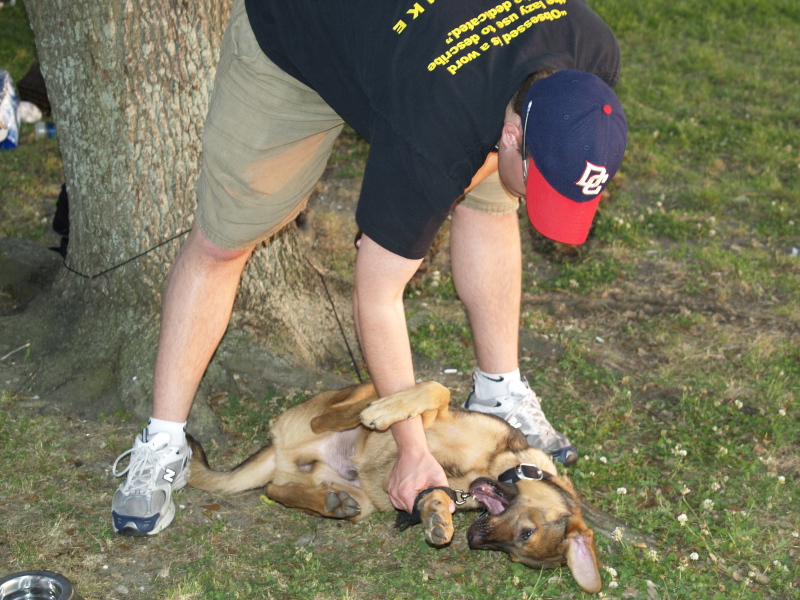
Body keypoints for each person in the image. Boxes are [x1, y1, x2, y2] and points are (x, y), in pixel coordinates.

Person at [111, 0, 627, 536]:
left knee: (495, 193)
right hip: (301, 38)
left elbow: (493, 153)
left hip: (423, 55)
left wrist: (478, 177)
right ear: (514, 135)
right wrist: (412, 448)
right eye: (545, 184)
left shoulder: (591, 50)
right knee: (222, 240)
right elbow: (376, 295)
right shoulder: (435, 130)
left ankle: (500, 390)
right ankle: (162, 441)